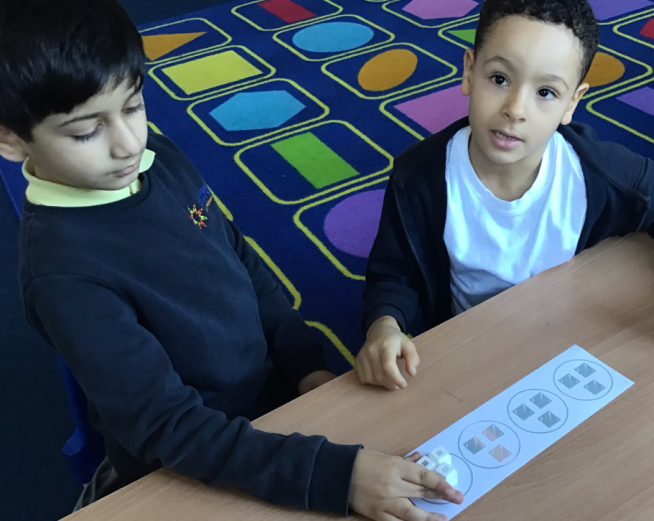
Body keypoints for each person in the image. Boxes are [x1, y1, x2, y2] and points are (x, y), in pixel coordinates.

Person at [0, 1, 462, 519]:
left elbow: (239, 257)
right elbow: (168, 428)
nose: (128, 144)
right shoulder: (63, 275)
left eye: (133, 105)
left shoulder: (157, 157)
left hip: (268, 402)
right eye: (86, 131)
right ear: (10, 138)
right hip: (189, 457)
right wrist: (335, 477)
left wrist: (303, 364)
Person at [357, 0, 654, 391]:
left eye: (545, 92)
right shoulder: (417, 178)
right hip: (467, 355)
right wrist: (385, 324)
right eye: (500, 79)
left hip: (569, 345)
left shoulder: (597, 173)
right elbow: (394, 273)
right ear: (470, 71)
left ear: (572, 102)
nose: (515, 109)